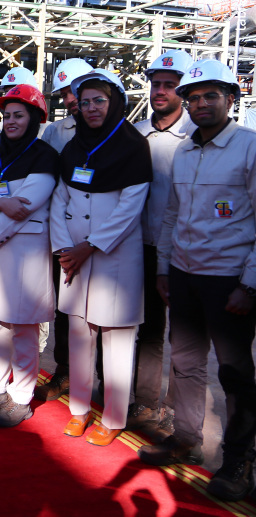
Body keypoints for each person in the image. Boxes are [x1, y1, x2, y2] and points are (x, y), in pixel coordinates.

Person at [139, 59, 256, 501]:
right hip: (185, 277)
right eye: (194, 97)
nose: (201, 103)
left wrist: (249, 284)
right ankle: (186, 437)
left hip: (229, 281)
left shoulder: (249, 148)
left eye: (211, 95)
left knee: (235, 374)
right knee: (185, 363)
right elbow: (172, 215)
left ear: (231, 99)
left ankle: (239, 460)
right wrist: (164, 268)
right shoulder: (185, 152)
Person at [50, 69, 152, 447]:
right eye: (86, 102)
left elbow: (130, 208)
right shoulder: (74, 146)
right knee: (79, 336)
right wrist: (64, 248)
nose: (91, 108)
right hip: (73, 258)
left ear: (116, 103)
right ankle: (79, 410)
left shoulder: (133, 146)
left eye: (100, 101)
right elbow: (59, 198)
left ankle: (113, 417)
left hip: (114, 257)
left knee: (117, 341)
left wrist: (89, 246)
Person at [0, 85, 60, 426]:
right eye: (7, 116)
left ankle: (21, 397)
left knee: (24, 328)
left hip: (24, 253)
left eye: (19, 115)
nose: (11, 122)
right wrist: (0, 201)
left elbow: (25, 208)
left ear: (35, 119)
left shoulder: (45, 156)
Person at [126, 50, 195, 436]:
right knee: (149, 328)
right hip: (142, 246)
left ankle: (174, 410)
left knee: (184, 337)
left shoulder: (195, 136)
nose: (160, 91)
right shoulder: (137, 134)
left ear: (183, 90)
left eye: (170, 85)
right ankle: (146, 401)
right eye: (156, 84)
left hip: (185, 250)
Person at [34, 58, 93, 404]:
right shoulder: (56, 132)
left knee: (103, 315)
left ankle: (104, 383)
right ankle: (64, 372)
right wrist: (59, 242)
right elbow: (51, 189)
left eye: (75, 91)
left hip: (102, 239)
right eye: (65, 94)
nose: (71, 99)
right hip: (64, 235)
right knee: (64, 309)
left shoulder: (118, 131)